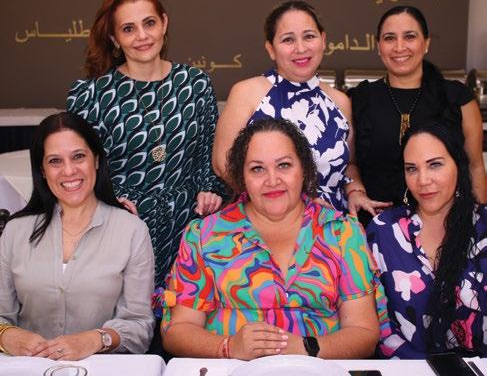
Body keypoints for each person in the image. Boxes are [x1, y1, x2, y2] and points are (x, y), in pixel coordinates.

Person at [162, 119, 381, 360]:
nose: (272, 180)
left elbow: (363, 333)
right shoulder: (204, 236)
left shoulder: (342, 234)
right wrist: (228, 347)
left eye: (284, 165)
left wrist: (306, 348)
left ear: (304, 170)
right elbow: (178, 331)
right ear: (242, 176)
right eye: (257, 169)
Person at [67, 0, 224, 286]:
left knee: (181, 314)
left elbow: (209, 152)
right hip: (120, 230)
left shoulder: (195, 84)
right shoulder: (92, 95)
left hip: (190, 231)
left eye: (149, 23)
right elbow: (79, 168)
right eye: (129, 29)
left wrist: (210, 190)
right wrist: (109, 200)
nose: (142, 36)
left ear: (164, 23)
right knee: (127, 315)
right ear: (114, 38)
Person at [0, 112, 154, 360]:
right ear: (42, 170)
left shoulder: (132, 231)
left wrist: (96, 339)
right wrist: (7, 336)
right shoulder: (15, 232)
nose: (69, 170)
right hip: (28, 368)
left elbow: (140, 327)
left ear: (96, 160)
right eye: (55, 161)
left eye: (78, 156)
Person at [212, 0, 389, 214]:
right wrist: (291, 202)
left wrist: (355, 191)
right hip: (267, 219)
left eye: (309, 36)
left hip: (331, 223)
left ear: (323, 40)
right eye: (288, 39)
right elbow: (222, 163)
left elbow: (349, 164)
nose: (301, 48)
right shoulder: (246, 93)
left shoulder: (340, 101)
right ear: (271, 49)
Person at [351, 5, 486, 225]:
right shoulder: (360, 99)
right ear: (378, 46)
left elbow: (475, 167)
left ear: (426, 43)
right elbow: (350, 163)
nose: (399, 47)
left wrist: (480, 226)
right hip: (374, 227)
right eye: (389, 38)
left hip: (446, 227)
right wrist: (355, 191)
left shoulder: (458, 99)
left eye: (410, 36)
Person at [367, 121, 487, 358]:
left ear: (458, 165)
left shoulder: (483, 227)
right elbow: (373, 324)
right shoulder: (383, 232)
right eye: (411, 169)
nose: (422, 180)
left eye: (435, 165)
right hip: (404, 370)